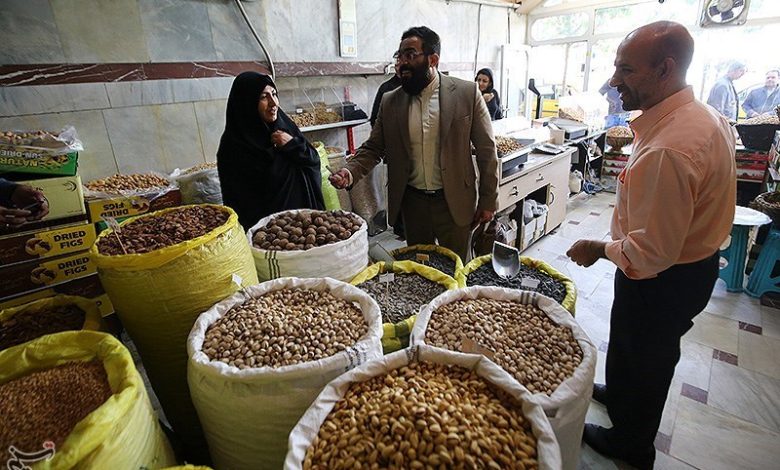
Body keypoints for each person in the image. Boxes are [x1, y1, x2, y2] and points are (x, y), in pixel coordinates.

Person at [566, 21, 736, 470]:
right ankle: (620, 398)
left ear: (665, 69)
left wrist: (598, 248)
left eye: (626, 69)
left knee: (649, 357)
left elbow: (652, 254)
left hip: (665, 278)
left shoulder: (671, 148)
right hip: (689, 266)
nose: (615, 80)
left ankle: (632, 444)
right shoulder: (701, 117)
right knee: (628, 343)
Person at [329, 26, 498, 260]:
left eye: (410, 55)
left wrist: (489, 200)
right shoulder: (391, 101)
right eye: (399, 56)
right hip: (414, 205)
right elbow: (374, 147)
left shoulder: (466, 93)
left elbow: (487, 150)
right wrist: (351, 170)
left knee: (457, 267)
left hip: (455, 202)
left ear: (433, 59)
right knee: (421, 269)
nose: (402, 63)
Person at [217, 72, 325, 229]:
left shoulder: (284, 126)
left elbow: (313, 160)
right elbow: (242, 203)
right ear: (246, 103)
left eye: (274, 94)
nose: (274, 103)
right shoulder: (234, 148)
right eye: (263, 97)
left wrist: (292, 145)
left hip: (308, 224)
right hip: (272, 235)